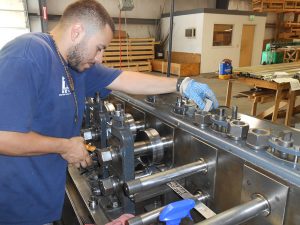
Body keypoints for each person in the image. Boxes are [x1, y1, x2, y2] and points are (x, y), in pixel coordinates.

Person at [0, 0, 218, 224]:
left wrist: (181, 84)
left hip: (43, 200)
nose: (99, 58)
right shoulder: (28, 55)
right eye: (99, 48)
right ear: (77, 31)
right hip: (14, 206)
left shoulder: (74, 66)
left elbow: (122, 79)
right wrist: (64, 146)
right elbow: (3, 137)